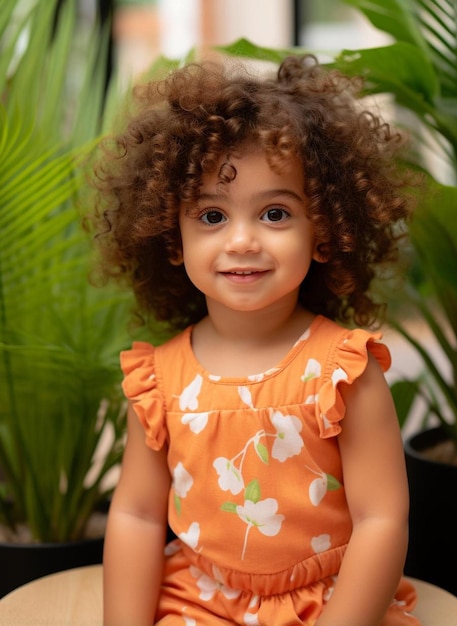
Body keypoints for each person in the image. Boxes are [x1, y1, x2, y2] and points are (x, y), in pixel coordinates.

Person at [94, 54, 421, 625]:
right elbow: (138, 517)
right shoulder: (158, 382)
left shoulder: (343, 371)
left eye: (274, 213)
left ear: (324, 231)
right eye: (212, 216)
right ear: (173, 238)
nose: (242, 241)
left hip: (329, 603)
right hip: (199, 601)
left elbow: (382, 519)